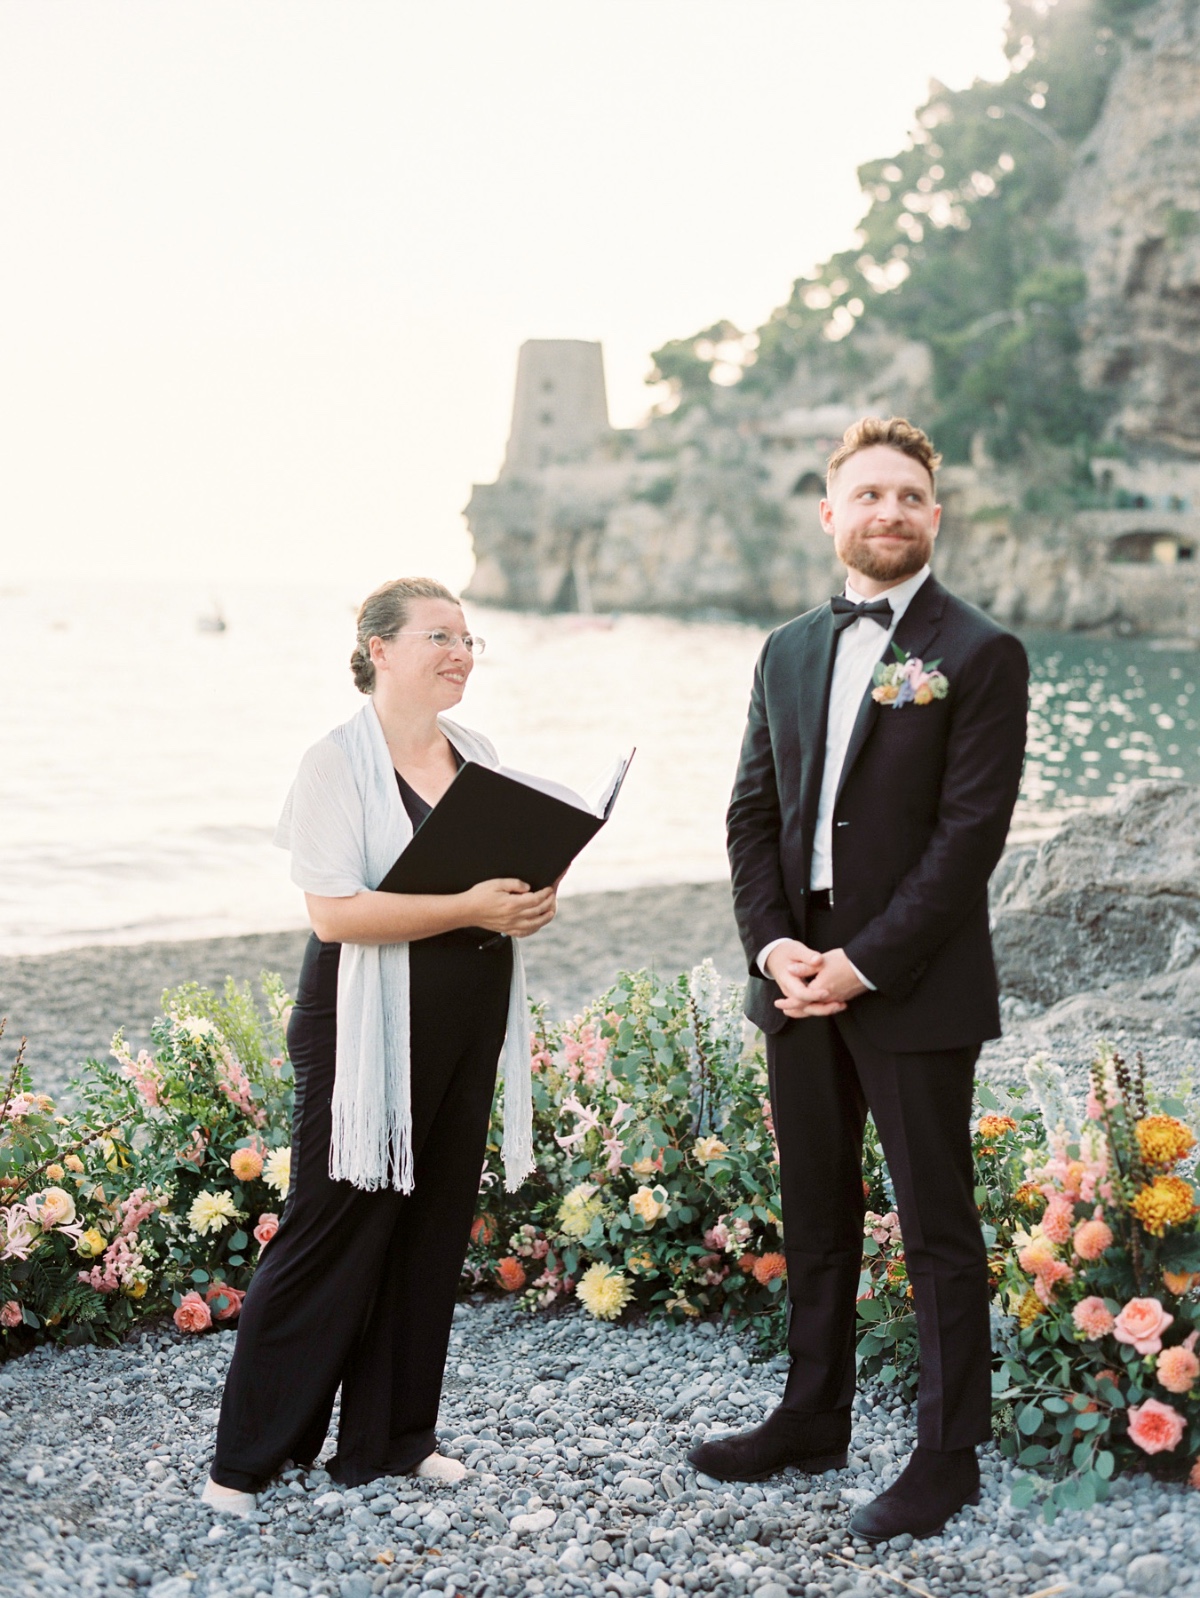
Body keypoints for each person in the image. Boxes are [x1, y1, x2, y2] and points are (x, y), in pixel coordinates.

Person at [691, 418, 1028, 1542]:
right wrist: (773, 944)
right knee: (816, 1208)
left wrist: (865, 962)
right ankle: (810, 1413)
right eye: (866, 494)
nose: (888, 511)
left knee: (935, 1222)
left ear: (936, 516)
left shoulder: (979, 653)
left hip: (913, 978)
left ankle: (947, 1457)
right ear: (830, 514)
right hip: (794, 975)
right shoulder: (786, 648)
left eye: (909, 496)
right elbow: (749, 813)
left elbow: (969, 836)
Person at [202, 577, 557, 1514]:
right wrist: (471, 906)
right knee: (332, 1226)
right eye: (440, 636)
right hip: (361, 1022)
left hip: (468, 1009)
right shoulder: (335, 764)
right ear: (379, 649)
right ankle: (246, 1459)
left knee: (432, 1222)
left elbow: (494, 886)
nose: (461, 653)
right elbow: (334, 913)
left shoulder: (477, 754)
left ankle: (392, 1442)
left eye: (471, 639)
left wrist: (522, 905)